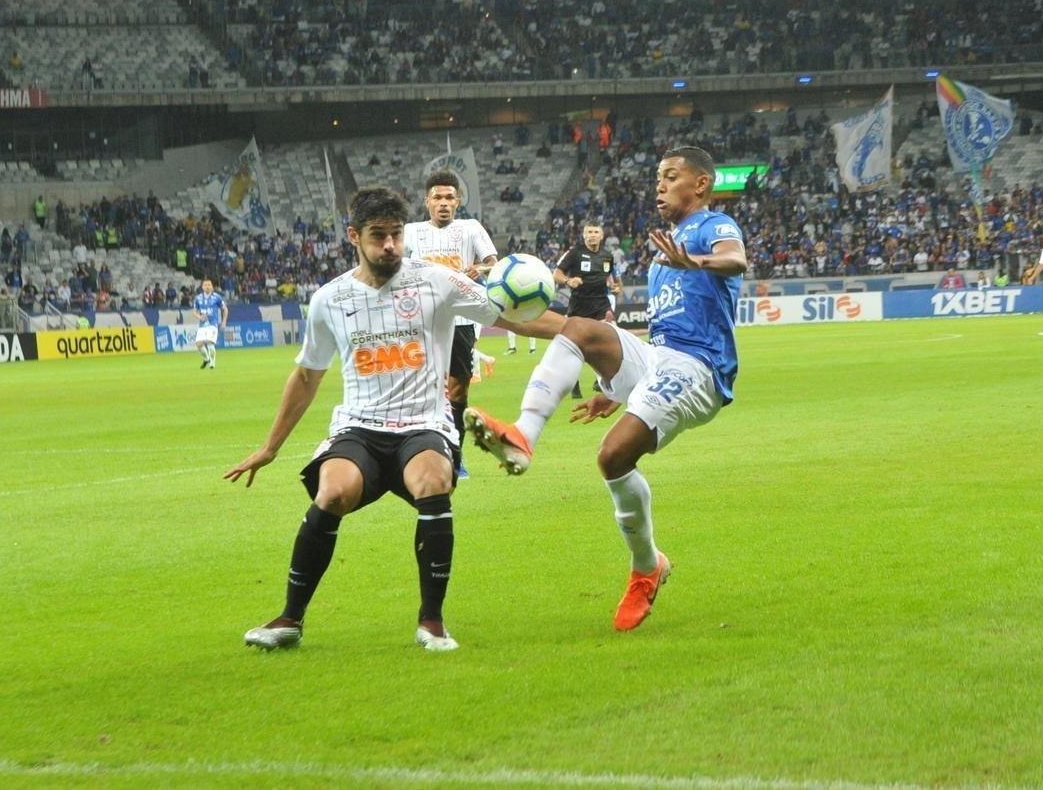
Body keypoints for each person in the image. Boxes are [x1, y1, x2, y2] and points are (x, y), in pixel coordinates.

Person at [225, 187, 559, 652]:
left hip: (424, 424)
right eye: (378, 236)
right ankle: (289, 619)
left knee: (433, 480)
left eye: (396, 235)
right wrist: (270, 447)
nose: (390, 246)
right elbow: (306, 376)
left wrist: (589, 335)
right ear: (354, 236)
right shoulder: (329, 299)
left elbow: (509, 315)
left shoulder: (437, 281)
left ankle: (432, 622)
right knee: (333, 492)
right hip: (359, 427)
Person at [464, 146, 748, 632]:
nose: (659, 186)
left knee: (613, 456)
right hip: (660, 357)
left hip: (700, 368)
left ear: (701, 184)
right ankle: (524, 434)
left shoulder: (713, 227)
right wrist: (618, 389)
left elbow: (736, 259)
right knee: (579, 328)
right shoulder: (664, 253)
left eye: (671, 177)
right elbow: (663, 334)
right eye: (657, 178)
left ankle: (646, 567)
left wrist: (696, 262)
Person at [404, 170, 498, 479]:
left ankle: (455, 458)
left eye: (449, 197)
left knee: (458, 389)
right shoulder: (411, 232)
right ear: (427, 201)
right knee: (421, 389)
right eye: (437, 198)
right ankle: (419, 454)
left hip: (461, 320)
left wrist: (480, 269)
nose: (443, 203)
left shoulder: (470, 228)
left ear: (458, 201)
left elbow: (494, 265)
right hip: (421, 320)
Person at [554, 217, 622, 399]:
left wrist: (615, 287)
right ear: (584, 235)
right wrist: (568, 280)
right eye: (589, 232)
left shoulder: (607, 256)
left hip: (601, 305)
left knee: (612, 340)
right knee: (573, 348)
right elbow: (556, 273)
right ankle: (573, 383)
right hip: (579, 305)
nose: (592, 235)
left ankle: (602, 379)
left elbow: (612, 278)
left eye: (595, 232)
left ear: (601, 235)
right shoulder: (574, 253)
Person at [192, 278, 228, 368]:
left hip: (213, 324)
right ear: (202, 287)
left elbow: (225, 309)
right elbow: (194, 311)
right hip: (202, 325)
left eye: (209, 285)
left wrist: (224, 321)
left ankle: (212, 362)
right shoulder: (198, 298)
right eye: (205, 285)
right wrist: (199, 317)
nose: (207, 287)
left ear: (212, 287)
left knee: (209, 342)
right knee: (199, 344)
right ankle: (206, 359)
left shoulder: (217, 297)